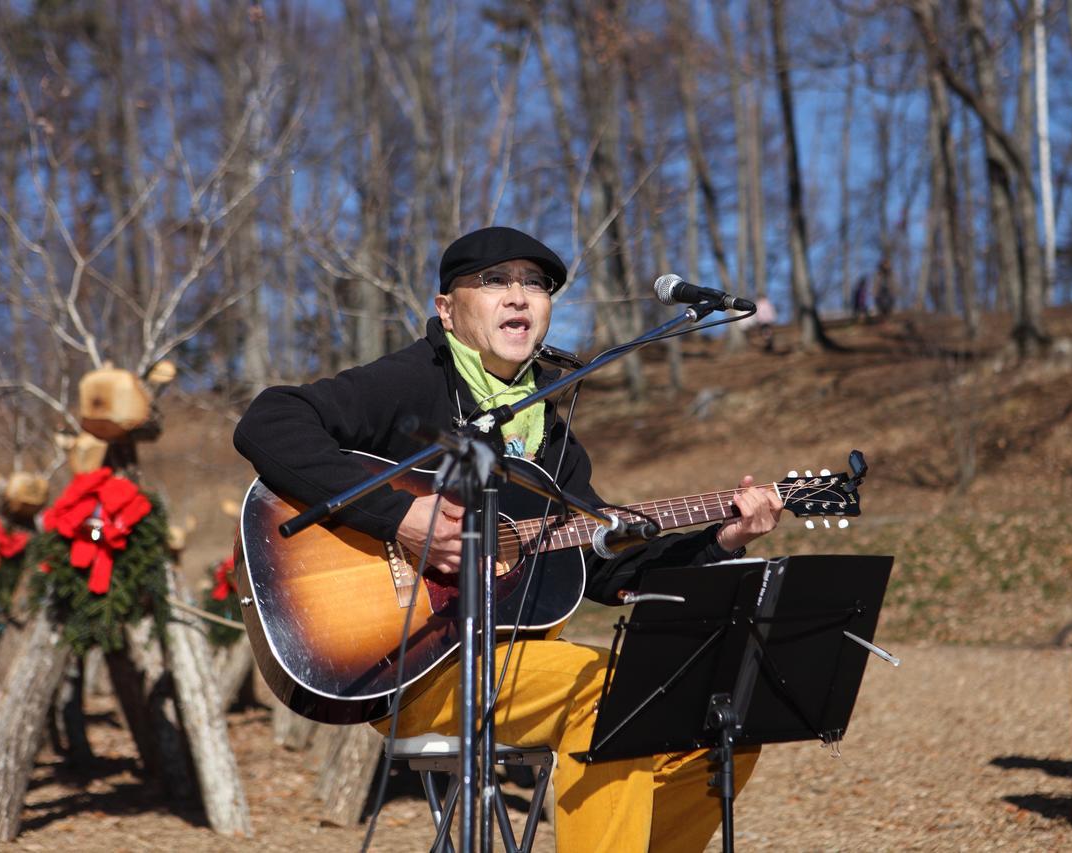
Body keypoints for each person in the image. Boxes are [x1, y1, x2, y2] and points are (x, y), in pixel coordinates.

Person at [233, 226, 785, 852]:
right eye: (494, 281)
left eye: (536, 284)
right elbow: (270, 419)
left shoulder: (551, 434)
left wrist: (724, 538)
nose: (519, 296)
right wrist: (399, 518)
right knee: (610, 694)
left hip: (520, 666)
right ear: (447, 308)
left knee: (722, 720)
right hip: (415, 667)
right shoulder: (414, 382)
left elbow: (604, 568)